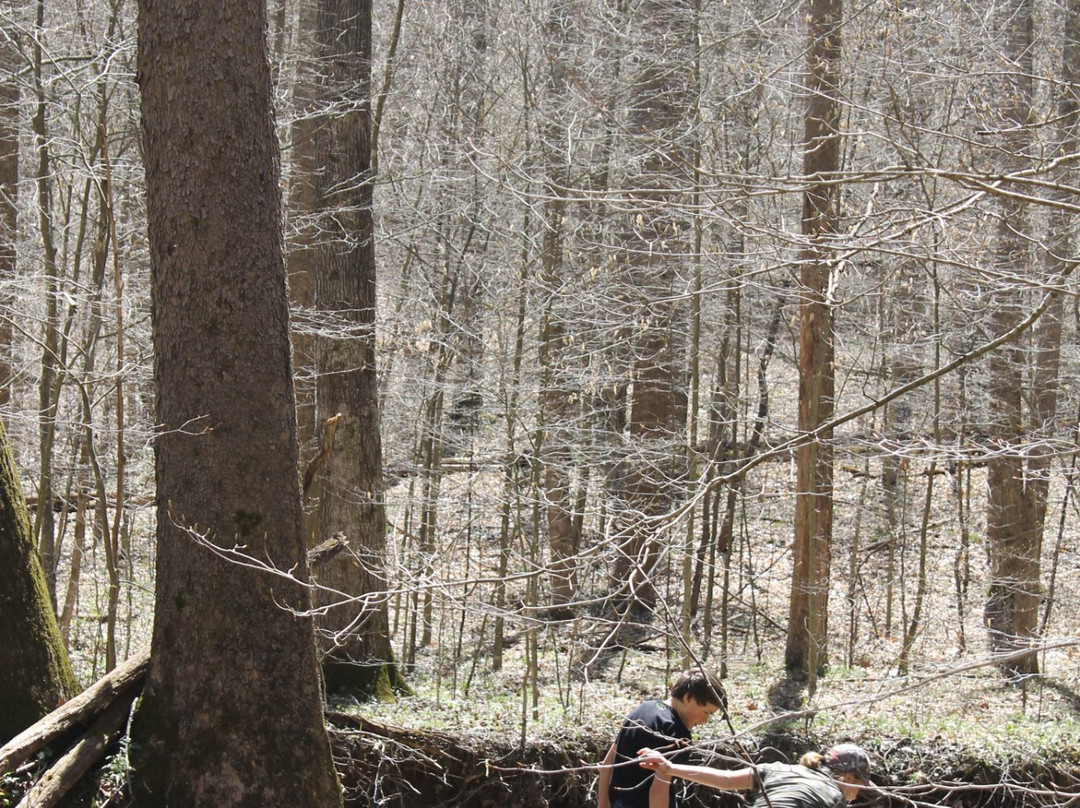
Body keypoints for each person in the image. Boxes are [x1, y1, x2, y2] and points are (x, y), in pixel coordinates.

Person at [598, 668, 727, 808]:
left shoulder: (642, 709)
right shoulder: (678, 735)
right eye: (706, 712)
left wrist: (603, 805)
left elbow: (607, 765)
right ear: (688, 698)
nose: (705, 720)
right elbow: (658, 790)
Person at [635, 742, 872, 808]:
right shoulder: (833, 798)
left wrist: (670, 768)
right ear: (848, 777)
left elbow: (725, 779)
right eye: (861, 784)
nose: (859, 792)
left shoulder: (779, 769)